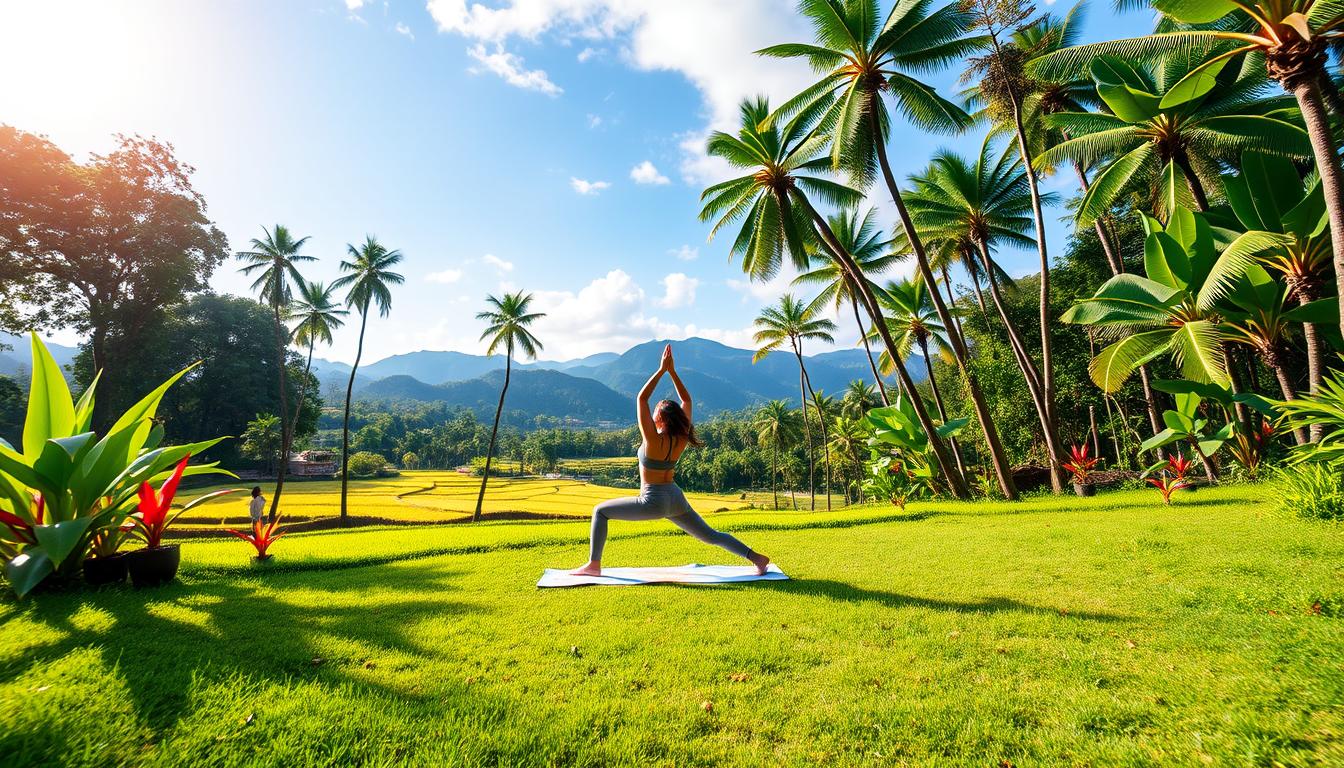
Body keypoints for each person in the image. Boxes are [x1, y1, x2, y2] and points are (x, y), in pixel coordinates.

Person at [571, 344, 770, 576]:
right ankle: (756, 558)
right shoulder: (682, 437)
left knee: (600, 512)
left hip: (652, 501)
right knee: (711, 536)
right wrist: (673, 372)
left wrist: (661, 370)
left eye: (656, 411)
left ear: (661, 418)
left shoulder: (653, 440)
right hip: (676, 498)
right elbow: (686, 400)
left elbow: (641, 399)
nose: (652, 412)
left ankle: (594, 565)